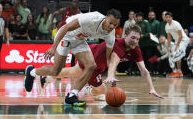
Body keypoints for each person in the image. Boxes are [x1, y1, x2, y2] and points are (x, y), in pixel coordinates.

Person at [33, 24, 163, 100]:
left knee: (73, 72)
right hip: (93, 61)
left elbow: (144, 70)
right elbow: (114, 62)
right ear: (125, 36)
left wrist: (152, 88)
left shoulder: (136, 49)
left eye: (137, 39)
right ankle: (89, 88)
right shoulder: (119, 44)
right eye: (132, 37)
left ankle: (45, 77)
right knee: (102, 92)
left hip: (92, 54)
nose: (135, 41)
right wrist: (111, 75)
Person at [23, 9, 121, 106]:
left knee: (91, 66)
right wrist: (54, 47)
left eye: (115, 25)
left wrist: (111, 76)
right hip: (66, 35)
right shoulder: (92, 18)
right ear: (106, 18)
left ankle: (72, 95)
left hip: (80, 40)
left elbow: (109, 59)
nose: (111, 26)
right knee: (55, 71)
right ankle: (32, 72)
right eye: (110, 23)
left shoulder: (110, 35)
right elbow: (66, 28)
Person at [165, 12, 190, 78]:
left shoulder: (176, 24)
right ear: (165, 18)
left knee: (177, 53)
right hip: (177, 41)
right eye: (166, 17)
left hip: (183, 40)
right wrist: (168, 46)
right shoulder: (166, 26)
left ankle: (179, 72)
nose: (168, 18)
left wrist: (176, 46)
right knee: (171, 55)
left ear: (171, 18)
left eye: (169, 17)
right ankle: (174, 71)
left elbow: (181, 36)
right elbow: (169, 37)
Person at [0, 3, 9, 73]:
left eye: (0, 8)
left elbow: (6, 30)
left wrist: (7, 40)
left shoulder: (4, 19)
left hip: (0, 38)